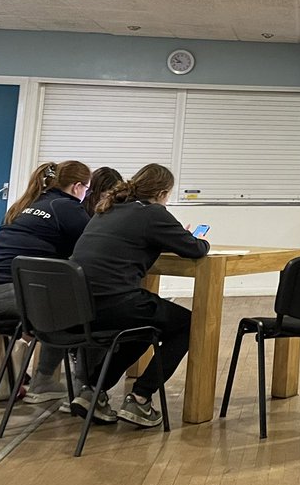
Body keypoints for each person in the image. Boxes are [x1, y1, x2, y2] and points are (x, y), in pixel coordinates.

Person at [70, 163, 208, 427]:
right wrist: (196, 239)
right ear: (163, 193)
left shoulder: (105, 209)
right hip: (115, 303)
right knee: (189, 324)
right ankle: (141, 397)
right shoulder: (154, 214)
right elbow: (196, 250)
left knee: (144, 329)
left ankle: (93, 391)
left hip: (79, 307)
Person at [0, 160, 92, 404]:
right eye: (88, 189)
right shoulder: (68, 207)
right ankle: (67, 385)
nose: (87, 194)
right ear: (77, 187)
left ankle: (37, 379)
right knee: (79, 309)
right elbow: (93, 246)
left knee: (56, 302)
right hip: (17, 296)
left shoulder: (23, 205)